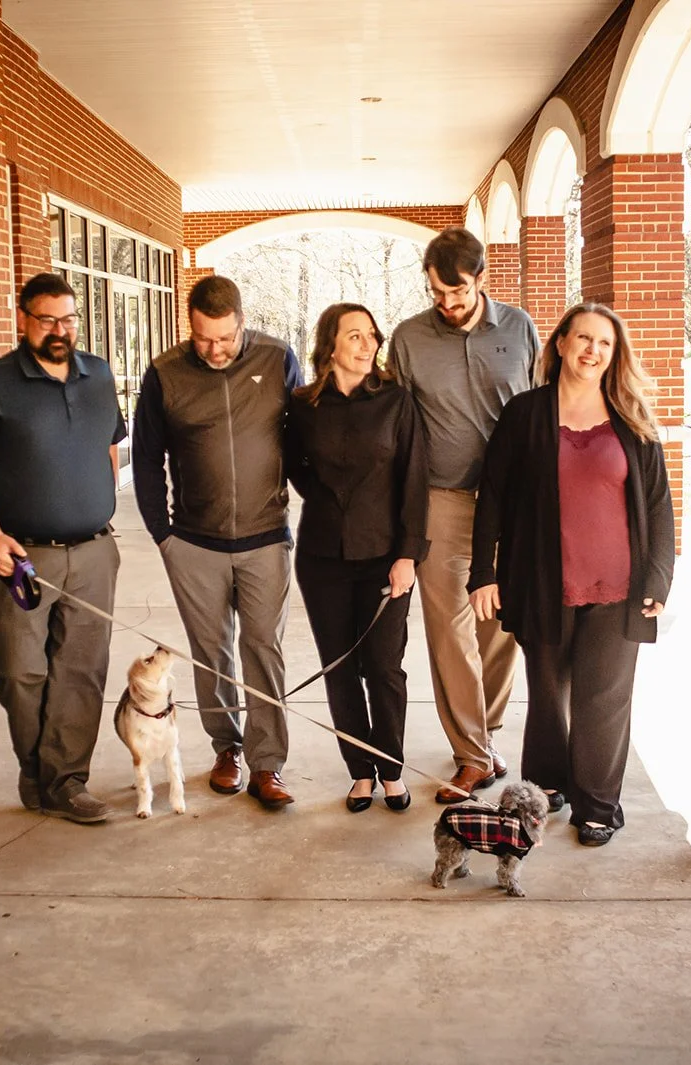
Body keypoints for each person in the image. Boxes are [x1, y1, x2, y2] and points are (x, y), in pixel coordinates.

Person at [469, 304, 673, 846]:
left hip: (619, 587)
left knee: (602, 699)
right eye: (583, 338)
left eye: (604, 343)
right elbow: (492, 495)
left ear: (614, 354)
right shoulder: (525, 413)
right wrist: (482, 573)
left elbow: (657, 504)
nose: (592, 350)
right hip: (542, 582)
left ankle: (599, 804)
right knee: (548, 690)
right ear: (559, 343)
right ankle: (548, 783)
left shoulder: (631, 417)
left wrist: (659, 578)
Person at [0, 273, 125, 825]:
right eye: (47, 319)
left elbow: (109, 449)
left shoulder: (98, 375)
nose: (59, 330)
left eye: (68, 318)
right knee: (19, 671)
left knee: (81, 671)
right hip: (23, 556)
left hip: (95, 553)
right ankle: (38, 767)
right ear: (23, 317)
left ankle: (66, 780)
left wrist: (95, 504)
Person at [132, 276, 304, 809]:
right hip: (194, 543)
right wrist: (163, 536)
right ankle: (226, 749)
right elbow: (144, 457)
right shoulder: (165, 373)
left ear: (242, 321)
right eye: (204, 338)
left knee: (263, 649)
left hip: (265, 537)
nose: (215, 349)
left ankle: (267, 764)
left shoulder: (279, 359)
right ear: (190, 325)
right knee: (211, 653)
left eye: (226, 337)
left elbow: (307, 438)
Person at [388, 226, 539, 803]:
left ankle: (488, 734)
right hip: (441, 501)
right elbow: (395, 428)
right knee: (450, 630)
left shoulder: (520, 328)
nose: (447, 306)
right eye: (436, 295)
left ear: (481, 279)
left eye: (458, 294)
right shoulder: (408, 339)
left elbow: (540, 407)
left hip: (512, 503)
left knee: (500, 626)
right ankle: (472, 755)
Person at [285, 303, 428, 812]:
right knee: (339, 668)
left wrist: (408, 555)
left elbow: (414, 483)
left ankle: (391, 770)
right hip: (322, 558)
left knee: (384, 668)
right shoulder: (303, 406)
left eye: (371, 335)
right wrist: (328, 502)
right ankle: (359, 772)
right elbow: (296, 467)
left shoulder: (396, 401)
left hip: (385, 558)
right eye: (354, 336)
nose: (367, 344)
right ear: (330, 346)